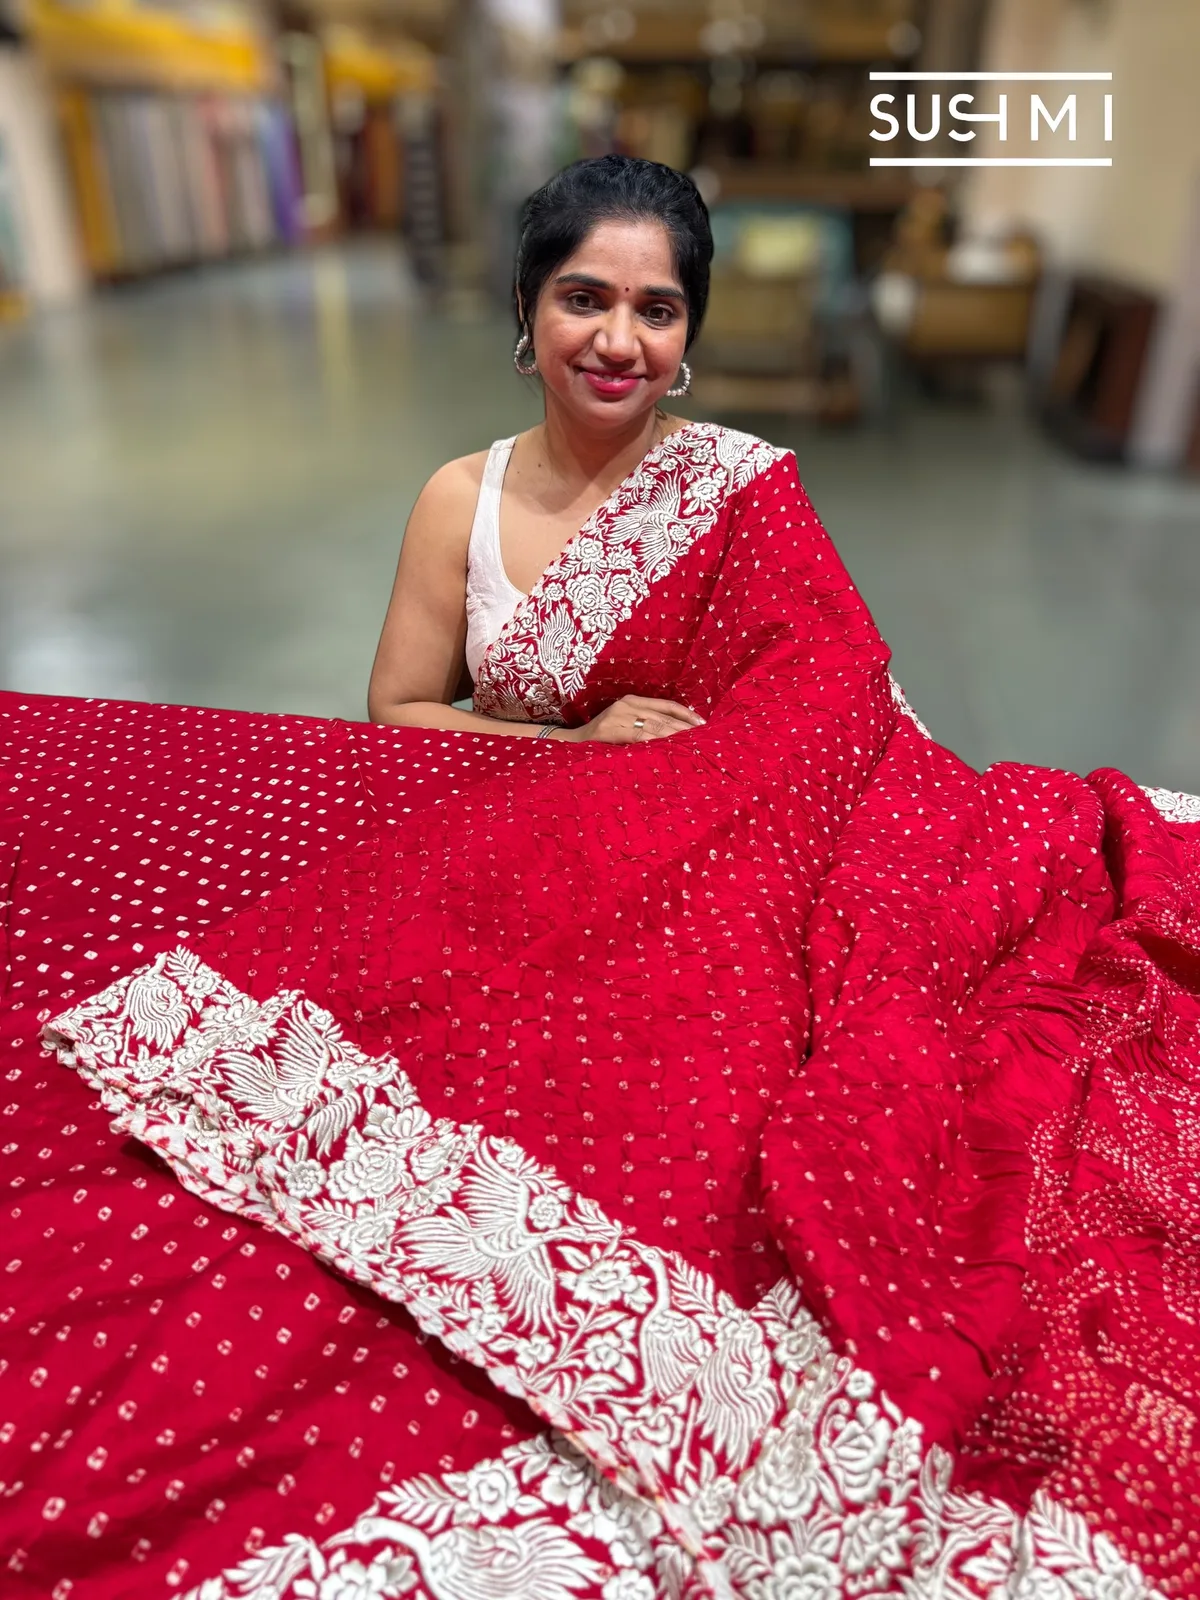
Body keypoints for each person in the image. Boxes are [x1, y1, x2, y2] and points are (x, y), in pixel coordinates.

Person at [44, 157, 1200, 1599]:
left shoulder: (739, 491)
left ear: (689, 338)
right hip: (524, 847)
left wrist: (688, 795)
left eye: (657, 309)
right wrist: (581, 746)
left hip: (741, 862)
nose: (619, 338)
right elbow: (398, 714)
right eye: (585, 297)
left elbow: (830, 698)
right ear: (528, 312)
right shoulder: (458, 501)